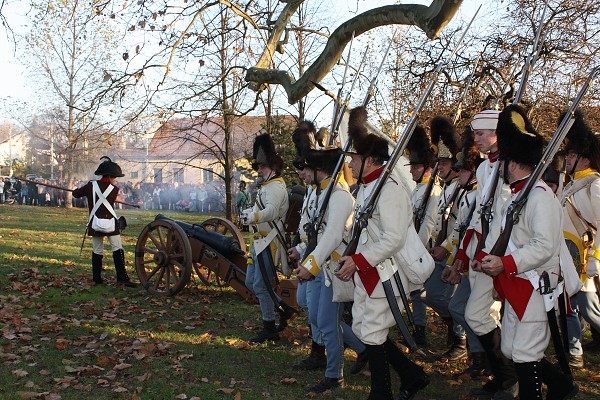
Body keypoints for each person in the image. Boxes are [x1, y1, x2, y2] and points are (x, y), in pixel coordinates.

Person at [480, 104, 578, 400]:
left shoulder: (539, 196)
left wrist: (506, 263)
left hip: (536, 284)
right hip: (517, 282)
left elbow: (545, 246)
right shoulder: (519, 194)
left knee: (524, 352)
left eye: (503, 161)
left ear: (512, 162)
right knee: (511, 347)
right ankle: (560, 384)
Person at [336, 106, 429, 400]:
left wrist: (358, 260)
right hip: (369, 270)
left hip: (386, 270)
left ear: (370, 160)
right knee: (366, 329)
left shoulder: (388, 189)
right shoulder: (366, 188)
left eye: (354, 158)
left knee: (372, 332)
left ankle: (381, 393)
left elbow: (393, 238)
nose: (350, 163)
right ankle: (412, 375)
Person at [291, 122, 367, 394]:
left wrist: (309, 265)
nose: (302, 172)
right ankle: (362, 349)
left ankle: (334, 374)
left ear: (319, 169)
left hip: (332, 267)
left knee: (326, 322)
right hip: (318, 264)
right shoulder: (319, 192)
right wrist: (302, 252)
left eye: (306, 167)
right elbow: (313, 230)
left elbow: (333, 236)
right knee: (315, 315)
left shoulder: (340, 197)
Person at [456, 109, 517, 399]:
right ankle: (503, 377)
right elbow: (482, 216)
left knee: (482, 316)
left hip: (506, 255)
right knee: (478, 316)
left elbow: (508, 219)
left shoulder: (511, 166)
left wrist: (493, 255)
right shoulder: (482, 169)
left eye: (481, 134)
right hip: (484, 253)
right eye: (475, 134)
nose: (476, 139)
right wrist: (469, 255)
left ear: (497, 133)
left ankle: (511, 379)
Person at [442, 126, 489, 378]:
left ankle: (488, 359)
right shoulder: (463, 194)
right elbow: (462, 231)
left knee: (475, 313)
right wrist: (456, 261)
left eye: (461, 169)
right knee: (459, 308)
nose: (457, 172)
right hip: (468, 259)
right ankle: (480, 356)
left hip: (483, 261)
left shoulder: (475, 195)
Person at [242, 133, 293, 343]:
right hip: (258, 242)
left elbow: (271, 212)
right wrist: (247, 214)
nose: (259, 170)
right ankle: (283, 308)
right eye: (258, 167)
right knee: (251, 283)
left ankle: (269, 326)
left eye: (262, 167)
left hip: (269, 243)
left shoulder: (276, 188)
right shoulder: (265, 188)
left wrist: (253, 216)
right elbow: (257, 210)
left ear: (272, 167)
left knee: (261, 286)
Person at [560, 108, 600, 357]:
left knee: (589, 308)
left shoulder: (594, 185)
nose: (567, 159)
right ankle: (574, 353)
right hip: (567, 254)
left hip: (586, 258)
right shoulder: (571, 184)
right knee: (569, 305)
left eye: (572, 154)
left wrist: (596, 256)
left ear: (585, 159)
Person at [72, 156, 135, 287]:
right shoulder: (115, 189)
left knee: (97, 250)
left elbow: (76, 194)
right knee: (117, 248)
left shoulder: (91, 186)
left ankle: (97, 278)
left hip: (95, 223)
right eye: (115, 177)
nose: (115, 179)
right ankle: (122, 277)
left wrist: (76, 191)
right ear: (111, 176)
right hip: (111, 223)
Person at [406, 124, 442, 346]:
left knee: (424, 293)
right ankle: (418, 327)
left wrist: (416, 249)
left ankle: (423, 330)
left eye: (415, 167)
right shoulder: (418, 189)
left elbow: (428, 222)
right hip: (415, 246)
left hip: (425, 248)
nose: (411, 171)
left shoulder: (434, 190)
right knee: (416, 291)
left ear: (427, 168)